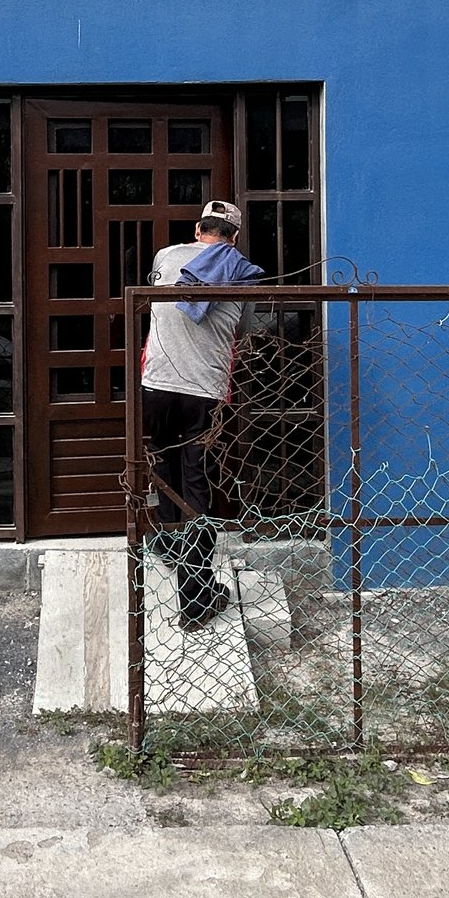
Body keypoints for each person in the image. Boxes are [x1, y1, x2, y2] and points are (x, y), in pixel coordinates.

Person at [140, 200, 265, 631]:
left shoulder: (165, 257)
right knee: (197, 486)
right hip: (202, 395)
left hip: (155, 386)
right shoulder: (242, 273)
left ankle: (171, 546)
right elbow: (249, 331)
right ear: (234, 237)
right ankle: (196, 599)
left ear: (198, 230)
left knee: (164, 469)